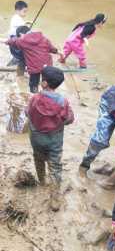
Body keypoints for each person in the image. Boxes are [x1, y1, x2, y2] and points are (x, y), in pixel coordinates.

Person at [26, 66, 74, 211]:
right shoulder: (62, 101)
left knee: (38, 158)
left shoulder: (34, 98)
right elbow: (69, 119)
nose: (41, 81)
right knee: (55, 167)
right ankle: (54, 199)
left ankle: (41, 181)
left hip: (36, 137)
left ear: (45, 83)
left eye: (42, 79)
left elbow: (27, 112)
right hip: (54, 139)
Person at [5, 26, 60, 93]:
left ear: (21, 34)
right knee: (46, 82)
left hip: (35, 68)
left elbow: (12, 41)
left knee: (34, 84)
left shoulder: (22, 40)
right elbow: (51, 48)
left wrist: (6, 42)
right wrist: (57, 52)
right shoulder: (43, 38)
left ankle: (35, 93)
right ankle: (46, 94)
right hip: (47, 66)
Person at [8, 1, 28, 71]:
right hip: (15, 40)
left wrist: (26, 23)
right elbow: (24, 29)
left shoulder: (15, 17)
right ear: (17, 11)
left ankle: (15, 61)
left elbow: (22, 26)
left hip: (13, 40)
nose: (25, 14)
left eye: (26, 11)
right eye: (24, 11)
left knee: (16, 54)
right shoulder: (18, 20)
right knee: (21, 56)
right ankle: (19, 67)